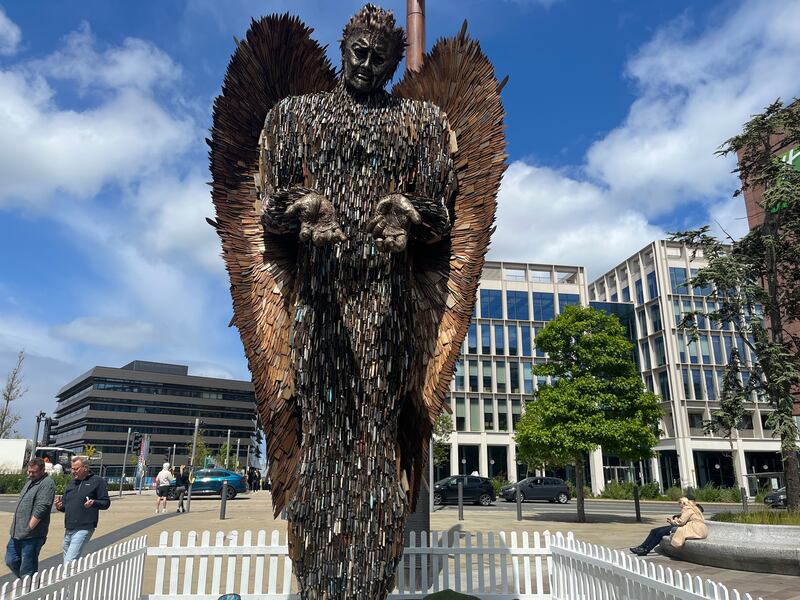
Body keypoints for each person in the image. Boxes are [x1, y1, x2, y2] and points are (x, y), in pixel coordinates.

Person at [55, 455, 111, 566]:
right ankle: (72, 576)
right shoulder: (71, 483)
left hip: (85, 527)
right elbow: (65, 506)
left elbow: (106, 503)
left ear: (85, 467)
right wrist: (59, 506)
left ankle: (67, 577)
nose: (73, 471)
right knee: (67, 559)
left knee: (69, 561)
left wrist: (93, 503)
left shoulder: (97, 481)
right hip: (69, 527)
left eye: (76, 469)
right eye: (72, 468)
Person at [5, 457, 55, 578]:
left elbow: (42, 507)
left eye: (34, 472)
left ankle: (30, 586)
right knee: (11, 560)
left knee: (27, 568)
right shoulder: (30, 482)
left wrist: (29, 527)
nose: (30, 474)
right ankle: (29, 583)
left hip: (32, 535)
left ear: (42, 470)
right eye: (29, 471)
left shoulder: (47, 483)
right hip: (17, 533)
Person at [630, 496, 708, 556]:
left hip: (688, 528)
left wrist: (672, 521)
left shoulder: (689, 508)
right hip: (688, 527)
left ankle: (645, 550)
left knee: (660, 533)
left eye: (680, 503)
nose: (679, 505)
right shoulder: (693, 508)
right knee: (654, 531)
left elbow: (681, 522)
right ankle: (642, 547)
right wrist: (676, 518)